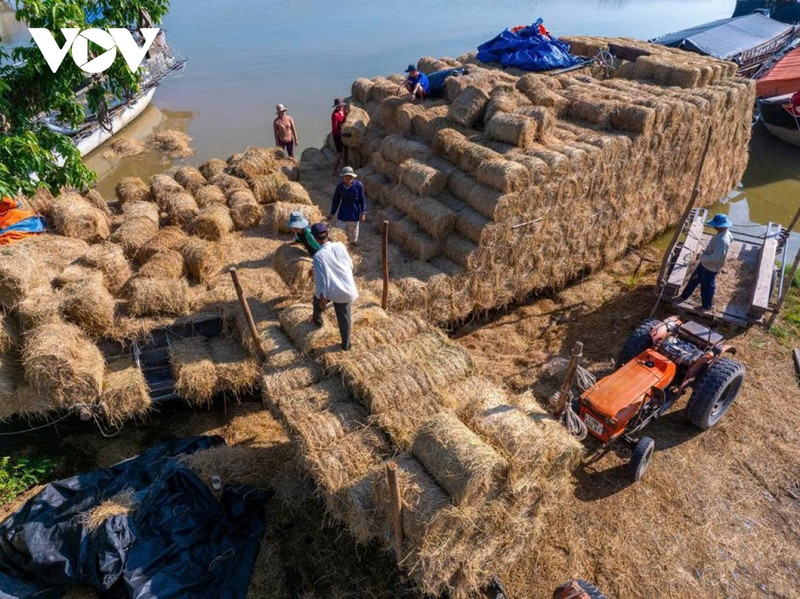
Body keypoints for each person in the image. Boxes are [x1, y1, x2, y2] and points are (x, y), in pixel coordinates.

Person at [310, 222, 358, 350]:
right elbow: (350, 265)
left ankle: (317, 320)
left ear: (315, 238)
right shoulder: (340, 245)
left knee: (317, 300)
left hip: (335, 292)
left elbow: (321, 281)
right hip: (348, 287)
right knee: (344, 317)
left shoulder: (318, 256)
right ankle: (346, 345)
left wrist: (322, 298)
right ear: (327, 234)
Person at [679, 213, 734, 311]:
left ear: (719, 226)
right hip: (705, 263)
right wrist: (707, 252)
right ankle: (684, 296)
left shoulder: (722, 241)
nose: (714, 227)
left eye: (715, 225)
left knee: (707, 286)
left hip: (711, 268)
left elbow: (715, 258)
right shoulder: (724, 233)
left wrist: (701, 257)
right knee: (694, 279)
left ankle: (706, 306)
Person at [329, 166, 366, 245]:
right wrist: (332, 213)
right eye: (346, 176)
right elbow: (336, 201)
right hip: (343, 213)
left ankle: (352, 246)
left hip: (354, 213)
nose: (348, 178)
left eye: (350, 176)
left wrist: (363, 213)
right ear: (343, 177)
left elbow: (362, 200)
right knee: (340, 234)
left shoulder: (358, 185)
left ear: (352, 177)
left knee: (353, 237)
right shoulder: (340, 187)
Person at [331, 98, 349, 176]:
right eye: (338, 106)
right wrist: (342, 133)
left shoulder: (344, 111)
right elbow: (335, 128)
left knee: (346, 151)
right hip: (337, 135)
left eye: (341, 106)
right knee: (339, 154)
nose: (340, 107)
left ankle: (345, 169)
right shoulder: (335, 115)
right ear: (336, 107)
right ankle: (334, 170)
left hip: (343, 134)